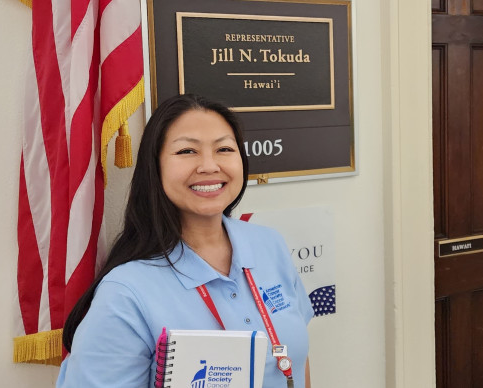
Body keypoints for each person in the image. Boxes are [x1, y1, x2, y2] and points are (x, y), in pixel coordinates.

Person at [57, 94, 314, 388]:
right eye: (187, 151)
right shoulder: (125, 292)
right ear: (155, 167)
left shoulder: (270, 245)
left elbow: (297, 359)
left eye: (224, 149)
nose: (209, 166)